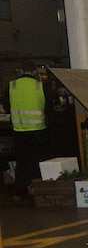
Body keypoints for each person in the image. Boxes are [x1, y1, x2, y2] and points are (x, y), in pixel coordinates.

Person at [4, 62, 49, 202]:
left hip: (19, 131)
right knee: (37, 161)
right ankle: (36, 190)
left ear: (21, 70)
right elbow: (48, 106)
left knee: (22, 162)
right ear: (35, 71)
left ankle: (19, 191)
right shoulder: (40, 86)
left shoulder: (11, 86)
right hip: (38, 130)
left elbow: (6, 107)